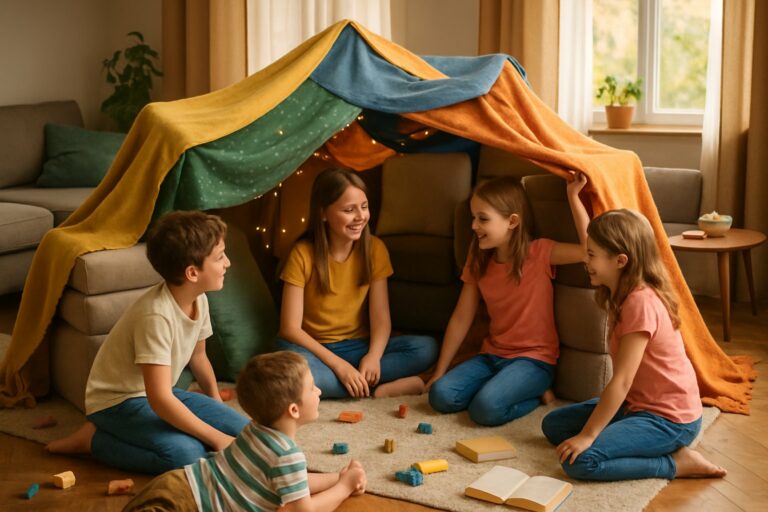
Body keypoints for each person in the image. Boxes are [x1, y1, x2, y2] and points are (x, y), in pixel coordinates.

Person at [46, 211, 249, 474]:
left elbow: (198, 358)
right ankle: (92, 440)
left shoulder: (199, 298)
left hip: (159, 393)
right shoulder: (155, 315)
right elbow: (160, 400)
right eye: (220, 257)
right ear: (192, 273)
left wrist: (215, 407)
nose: (228, 263)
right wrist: (215, 437)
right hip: (118, 403)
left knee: (243, 431)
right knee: (188, 454)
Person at [541, 209, 727, 481]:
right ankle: (630, 433)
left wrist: (590, 434)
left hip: (670, 420)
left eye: (591, 255)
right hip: (637, 405)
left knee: (581, 461)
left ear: (620, 261)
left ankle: (675, 463)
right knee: (554, 426)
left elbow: (623, 380)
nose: (586, 260)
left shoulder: (640, 302)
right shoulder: (622, 294)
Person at [426, 173, 589, 426]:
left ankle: (534, 394)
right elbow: (461, 317)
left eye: (483, 219)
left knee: (485, 409)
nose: (473, 226)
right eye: (473, 218)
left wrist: (573, 197)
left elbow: (588, 251)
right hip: (491, 355)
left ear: (512, 221)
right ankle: (510, 390)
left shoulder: (540, 252)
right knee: (440, 396)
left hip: (534, 360)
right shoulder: (479, 259)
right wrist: (439, 371)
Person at [123, 351, 367, 512]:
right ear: (293, 410)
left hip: (176, 484)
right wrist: (343, 488)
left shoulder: (255, 430)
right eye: (313, 388)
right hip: (189, 505)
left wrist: (338, 476)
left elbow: (290, 483)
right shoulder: (287, 455)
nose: (319, 392)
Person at [278, 167, 438, 399]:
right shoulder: (302, 254)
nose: (360, 216)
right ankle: (369, 385)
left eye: (364, 207)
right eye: (348, 210)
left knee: (426, 349)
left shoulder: (375, 249)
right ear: (323, 213)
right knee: (297, 376)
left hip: (356, 347)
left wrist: (373, 356)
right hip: (312, 349)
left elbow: (381, 318)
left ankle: (358, 381)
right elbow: (289, 328)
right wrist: (339, 367)